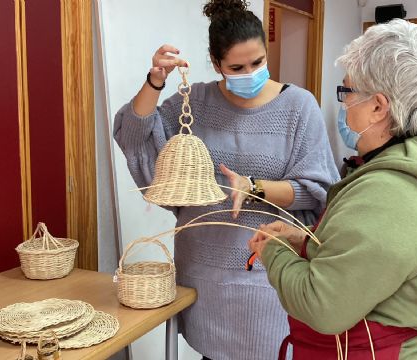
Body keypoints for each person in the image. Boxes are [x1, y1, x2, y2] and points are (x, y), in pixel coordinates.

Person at [248, 19, 417, 359]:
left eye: (347, 92)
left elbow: (323, 305)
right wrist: (307, 240)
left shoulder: (394, 191)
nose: (343, 104)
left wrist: (274, 253)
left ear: (378, 106)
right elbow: (388, 252)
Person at [113, 0, 339, 358]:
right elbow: (133, 135)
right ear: (216, 64)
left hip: (268, 277)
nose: (250, 72)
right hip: (204, 274)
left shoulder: (299, 106)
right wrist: (154, 81)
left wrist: (254, 188)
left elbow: (317, 190)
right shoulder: (195, 101)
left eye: (258, 62)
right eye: (237, 67)